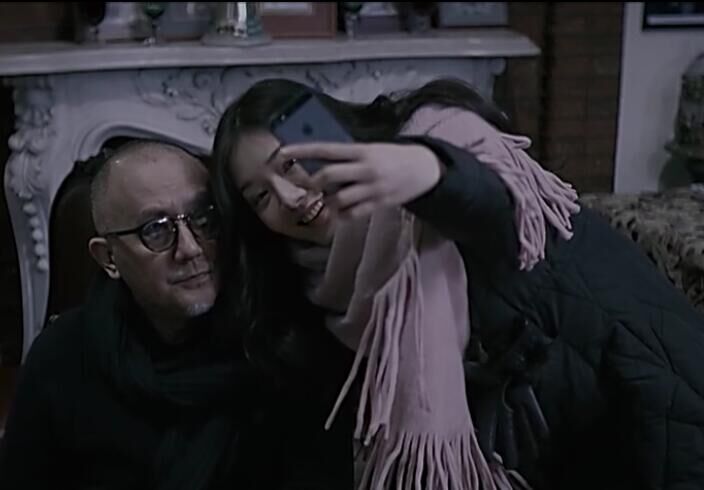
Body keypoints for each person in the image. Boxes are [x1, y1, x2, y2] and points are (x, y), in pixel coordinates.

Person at [209, 77, 704, 490]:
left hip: (650, 404)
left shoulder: (437, 142)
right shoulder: (314, 289)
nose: (290, 197)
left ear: (326, 131)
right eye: (260, 196)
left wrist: (427, 171)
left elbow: (496, 208)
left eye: (290, 163)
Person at [0, 140, 355, 490]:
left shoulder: (276, 340)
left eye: (204, 219)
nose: (190, 248)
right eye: (156, 230)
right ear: (109, 258)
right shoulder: (62, 357)